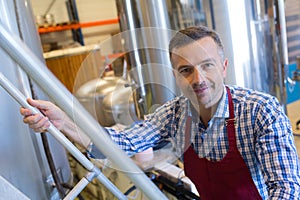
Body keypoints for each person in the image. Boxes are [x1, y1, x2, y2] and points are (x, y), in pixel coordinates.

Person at [20, 26, 300, 199]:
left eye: (207, 65)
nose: (198, 79)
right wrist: (64, 123)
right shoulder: (175, 114)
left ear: (224, 66)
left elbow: (286, 188)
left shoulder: (260, 110)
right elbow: (123, 143)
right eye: (186, 70)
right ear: (176, 76)